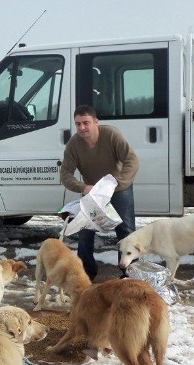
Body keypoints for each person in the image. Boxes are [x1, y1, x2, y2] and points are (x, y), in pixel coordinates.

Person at [60, 105, 140, 281]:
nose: (82, 128)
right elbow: (65, 175)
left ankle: (130, 276)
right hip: (92, 192)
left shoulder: (111, 135)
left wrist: (118, 184)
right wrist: (83, 188)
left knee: (126, 231)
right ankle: (86, 274)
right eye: (78, 124)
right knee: (85, 232)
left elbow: (132, 161)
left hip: (118, 188)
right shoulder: (74, 144)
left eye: (86, 123)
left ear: (96, 122)